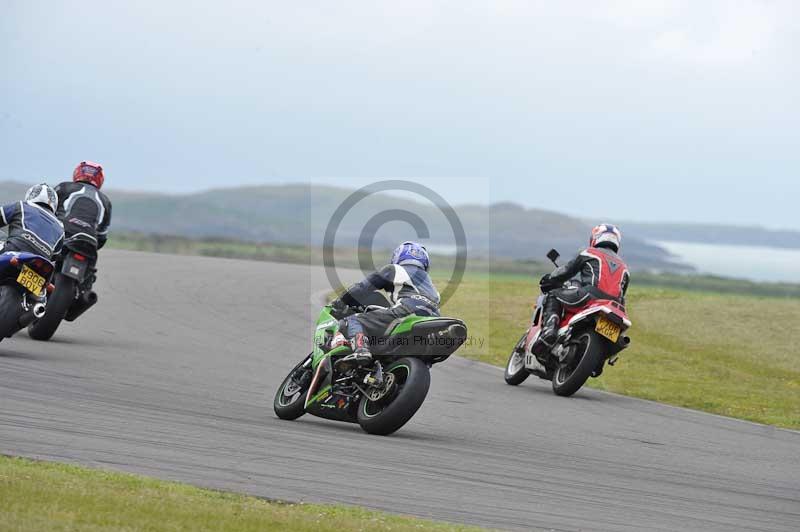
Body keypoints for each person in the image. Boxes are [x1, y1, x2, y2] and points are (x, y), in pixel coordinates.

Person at [330, 241, 440, 367]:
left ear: (398, 256)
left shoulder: (394, 269)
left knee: (352, 321)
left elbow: (361, 289)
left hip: (407, 311)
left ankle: (361, 350)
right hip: (433, 319)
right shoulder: (432, 286)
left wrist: (339, 302)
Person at [535, 224, 630, 351]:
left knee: (553, 294)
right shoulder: (625, 268)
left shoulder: (590, 252)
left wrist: (550, 278)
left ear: (596, 237)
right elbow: (622, 295)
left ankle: (549, 331)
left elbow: (567, 271)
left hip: (589, 297)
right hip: (614, 307)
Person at [54, 161, 112, 288]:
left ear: (77, 173)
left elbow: (47, 210)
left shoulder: (64, 187)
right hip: (89, 242)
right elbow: (102, 235)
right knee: (88, 280)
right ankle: (82, 288)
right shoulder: (106, 201)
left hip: (62, 234)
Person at [0, 184, 64, 260]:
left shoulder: (21, 206)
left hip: (13, 251)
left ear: (30, 195)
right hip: (40, 263)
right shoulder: (60, 227)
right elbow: (55, 255)